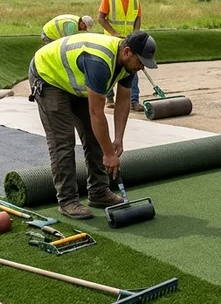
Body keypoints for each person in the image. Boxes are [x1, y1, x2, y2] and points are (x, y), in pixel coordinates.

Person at [28, 30, 159, 219]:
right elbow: (96, 112)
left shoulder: (129, 66)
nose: (141, 67)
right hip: (48, 76)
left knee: (95, 136)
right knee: (63, 141)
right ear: (127, 52)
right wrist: (108, 154)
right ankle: (67, 200)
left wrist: (118, 140)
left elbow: (123, 101)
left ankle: (98, 192)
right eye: (140, 62)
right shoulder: (100, 62)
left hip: (74, 79)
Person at [98, 0, 143, 111]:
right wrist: (113, 33)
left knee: (132, 69)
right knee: (110, 69)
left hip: (129, 41)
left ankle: (133, 100)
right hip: (111, 42)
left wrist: (135, 33)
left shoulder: (136, 0)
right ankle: (109, 98)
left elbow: (138, 19)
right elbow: (101, 18)